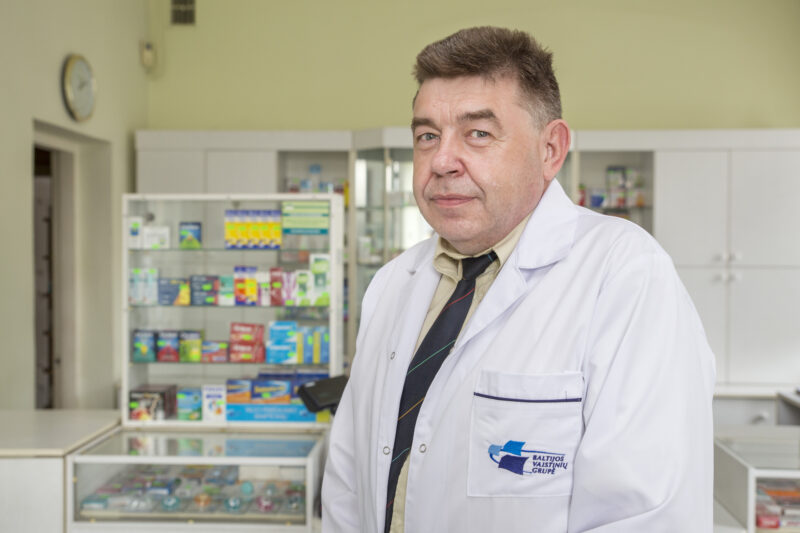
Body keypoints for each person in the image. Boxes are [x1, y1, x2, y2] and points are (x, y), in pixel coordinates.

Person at [322, 26, 715, 533]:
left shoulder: (624, 275)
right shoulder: (393, 283)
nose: (441, 161)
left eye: (478, 134)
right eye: (427, 136)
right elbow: (348, 484)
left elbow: (647, 516)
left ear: (550, 149)